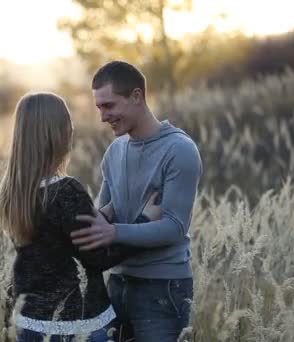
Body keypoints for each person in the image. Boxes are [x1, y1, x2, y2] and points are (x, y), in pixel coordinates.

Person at [0, 92, 161, 342]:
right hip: (77, 326)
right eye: (68, 122)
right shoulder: (66, 190)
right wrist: (145, 221)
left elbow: (53, 241)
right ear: (58, 132)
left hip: (27, 324)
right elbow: (97, 258)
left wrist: (100, 215)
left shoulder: (13, 191)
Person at [71, 61, 203, 342]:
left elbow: (174, 227)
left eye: (109, 106)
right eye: (99, 108)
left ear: (136, 96)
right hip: (117, 285)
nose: (104, 117)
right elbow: (102, 215)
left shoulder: (179, 150)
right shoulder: (115, 151)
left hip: (163, 288)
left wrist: (114, 231)